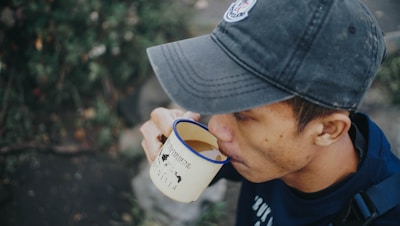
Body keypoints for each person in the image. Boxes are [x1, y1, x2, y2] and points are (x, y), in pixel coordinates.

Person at [140, 0, 400, 225]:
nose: (217, 127)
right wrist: (172, 145)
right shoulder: (264, 152)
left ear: (327, 130)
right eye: (221, 99)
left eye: (242, 114)